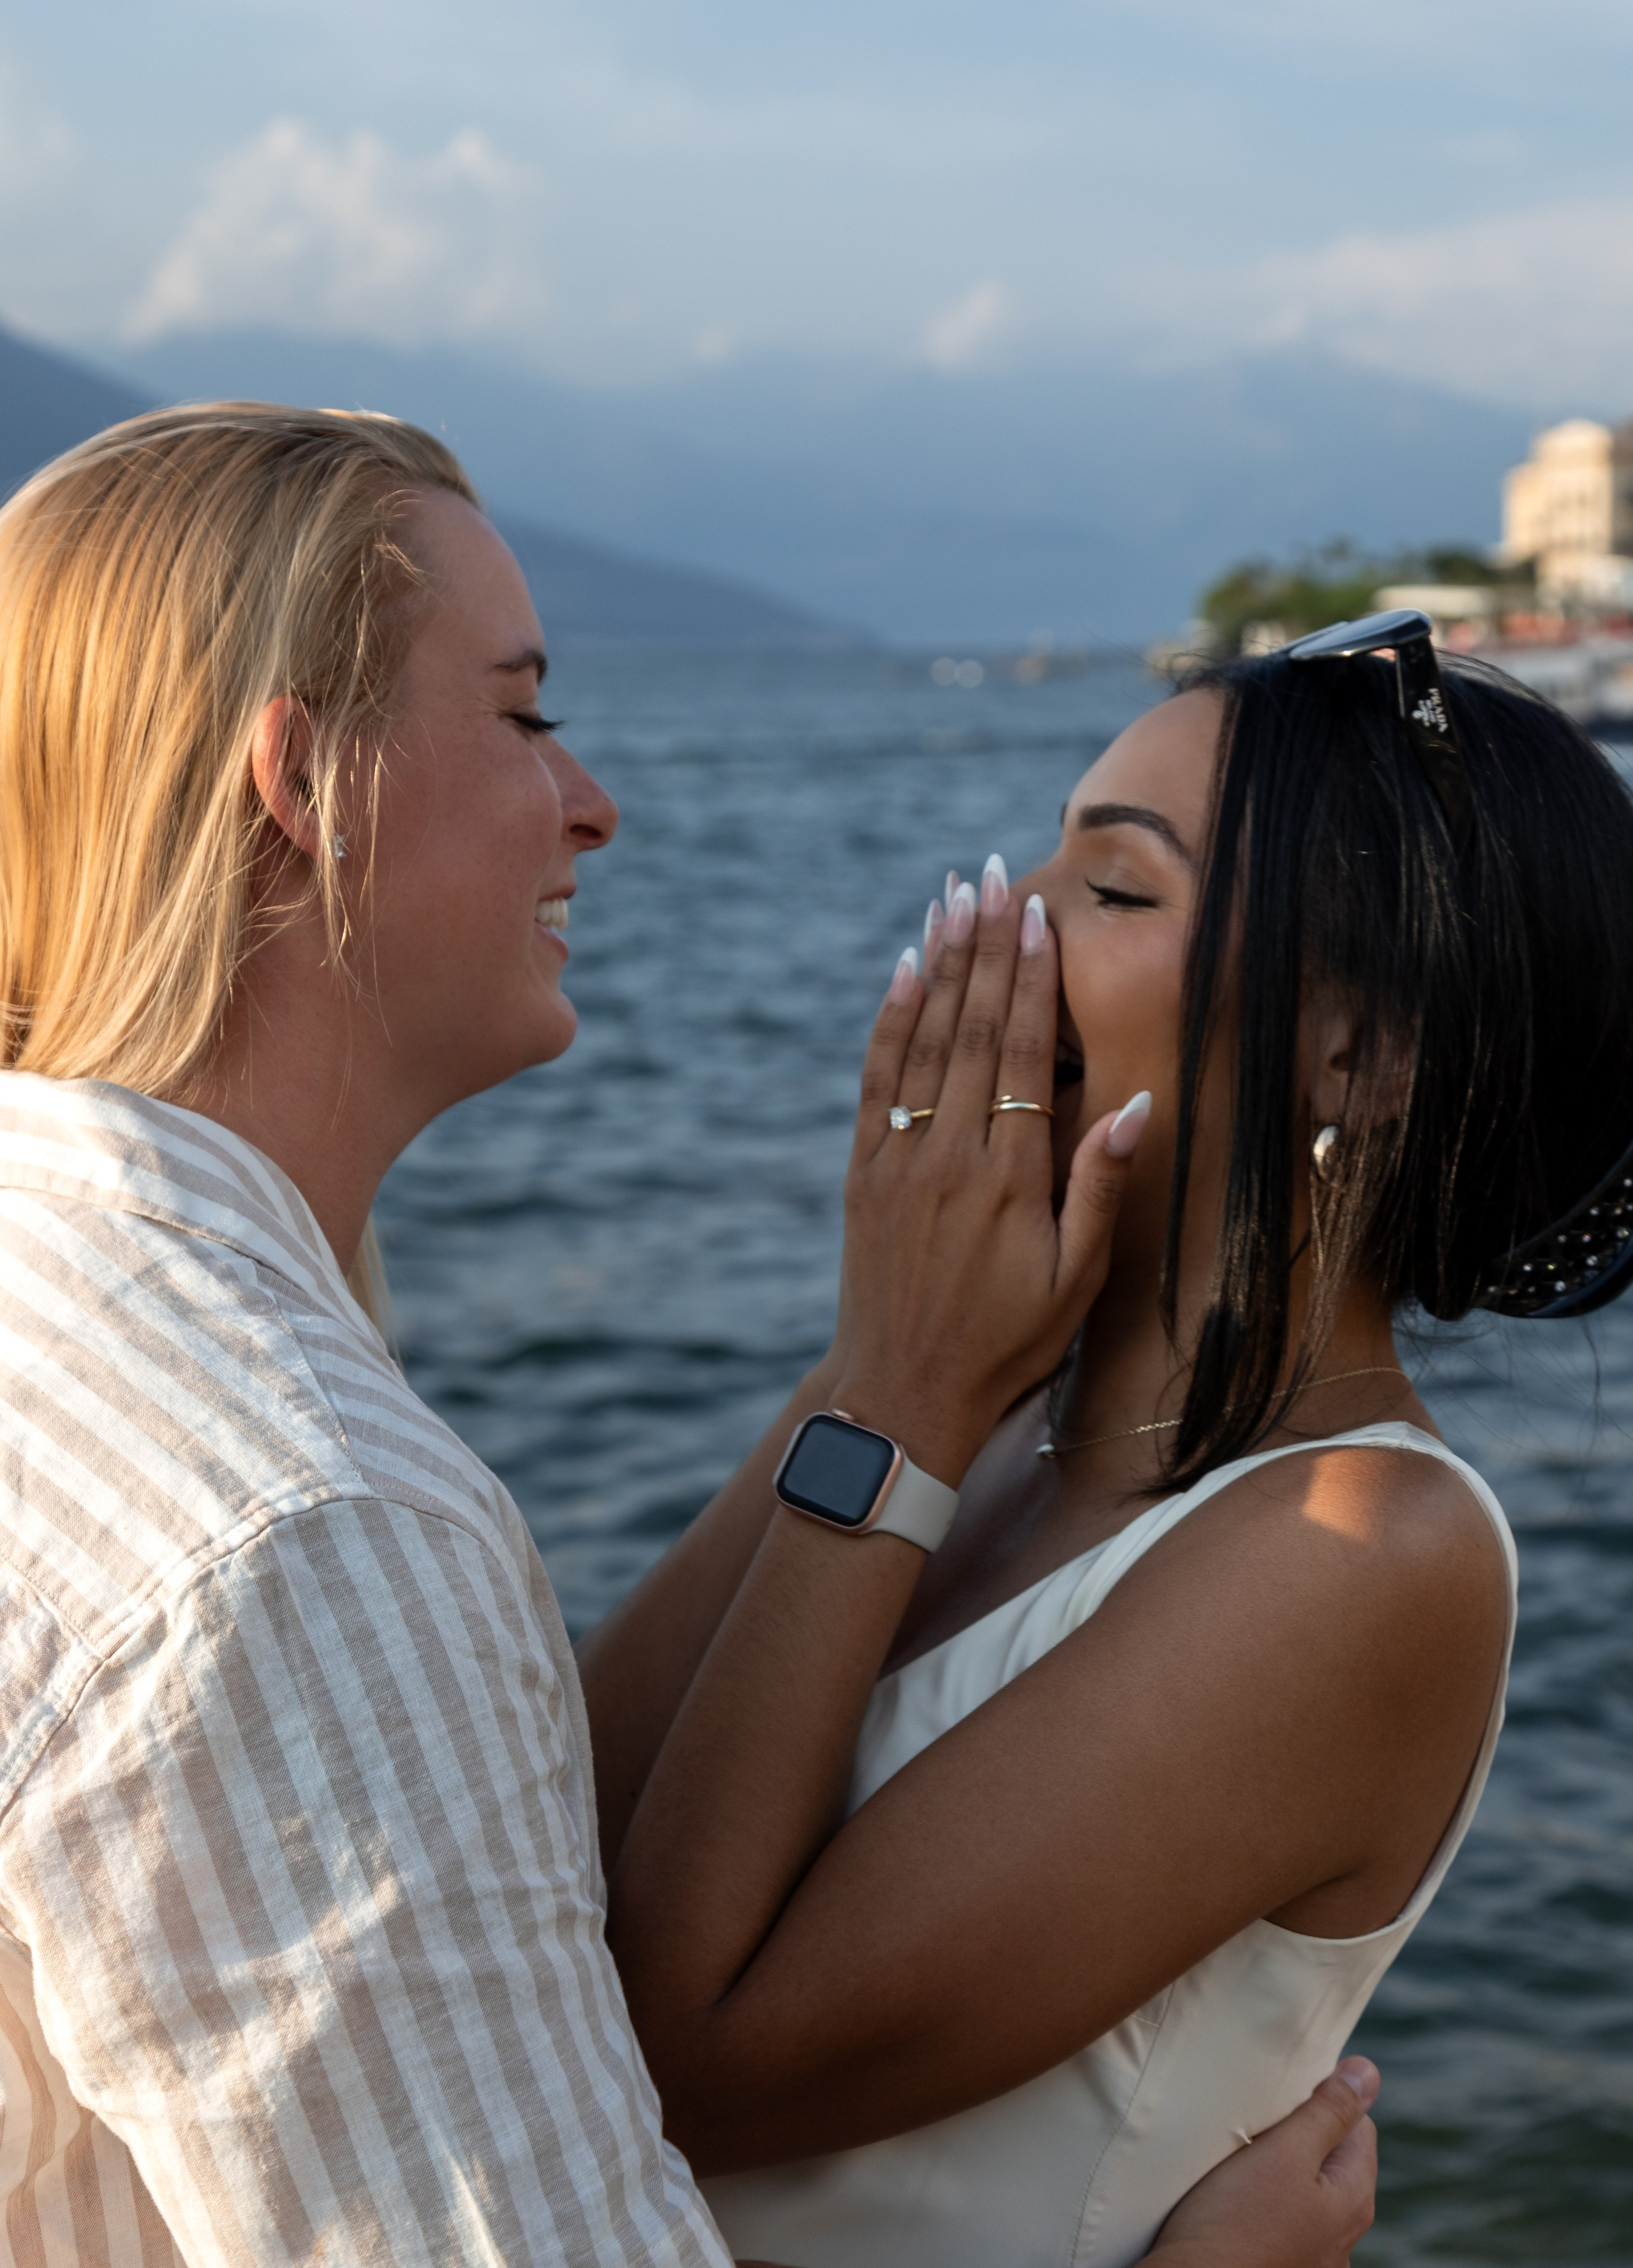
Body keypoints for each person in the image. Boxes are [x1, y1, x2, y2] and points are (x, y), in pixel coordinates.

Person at [0, 399, 1375, 2268]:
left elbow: (531, 1892)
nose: (595, 802)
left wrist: (892, 1375)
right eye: (524, 711)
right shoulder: (303, 1526)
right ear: (303, 786)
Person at [582, 622, 1633, 2267]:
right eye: (1046, 861)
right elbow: (525, 1852)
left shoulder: (1364, 1547)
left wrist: (893, 1401)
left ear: (1361, 1048)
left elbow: (649, 2067)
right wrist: (888, 1366)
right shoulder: (984, 1417)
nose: (1009, 928)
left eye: (1119, 891)